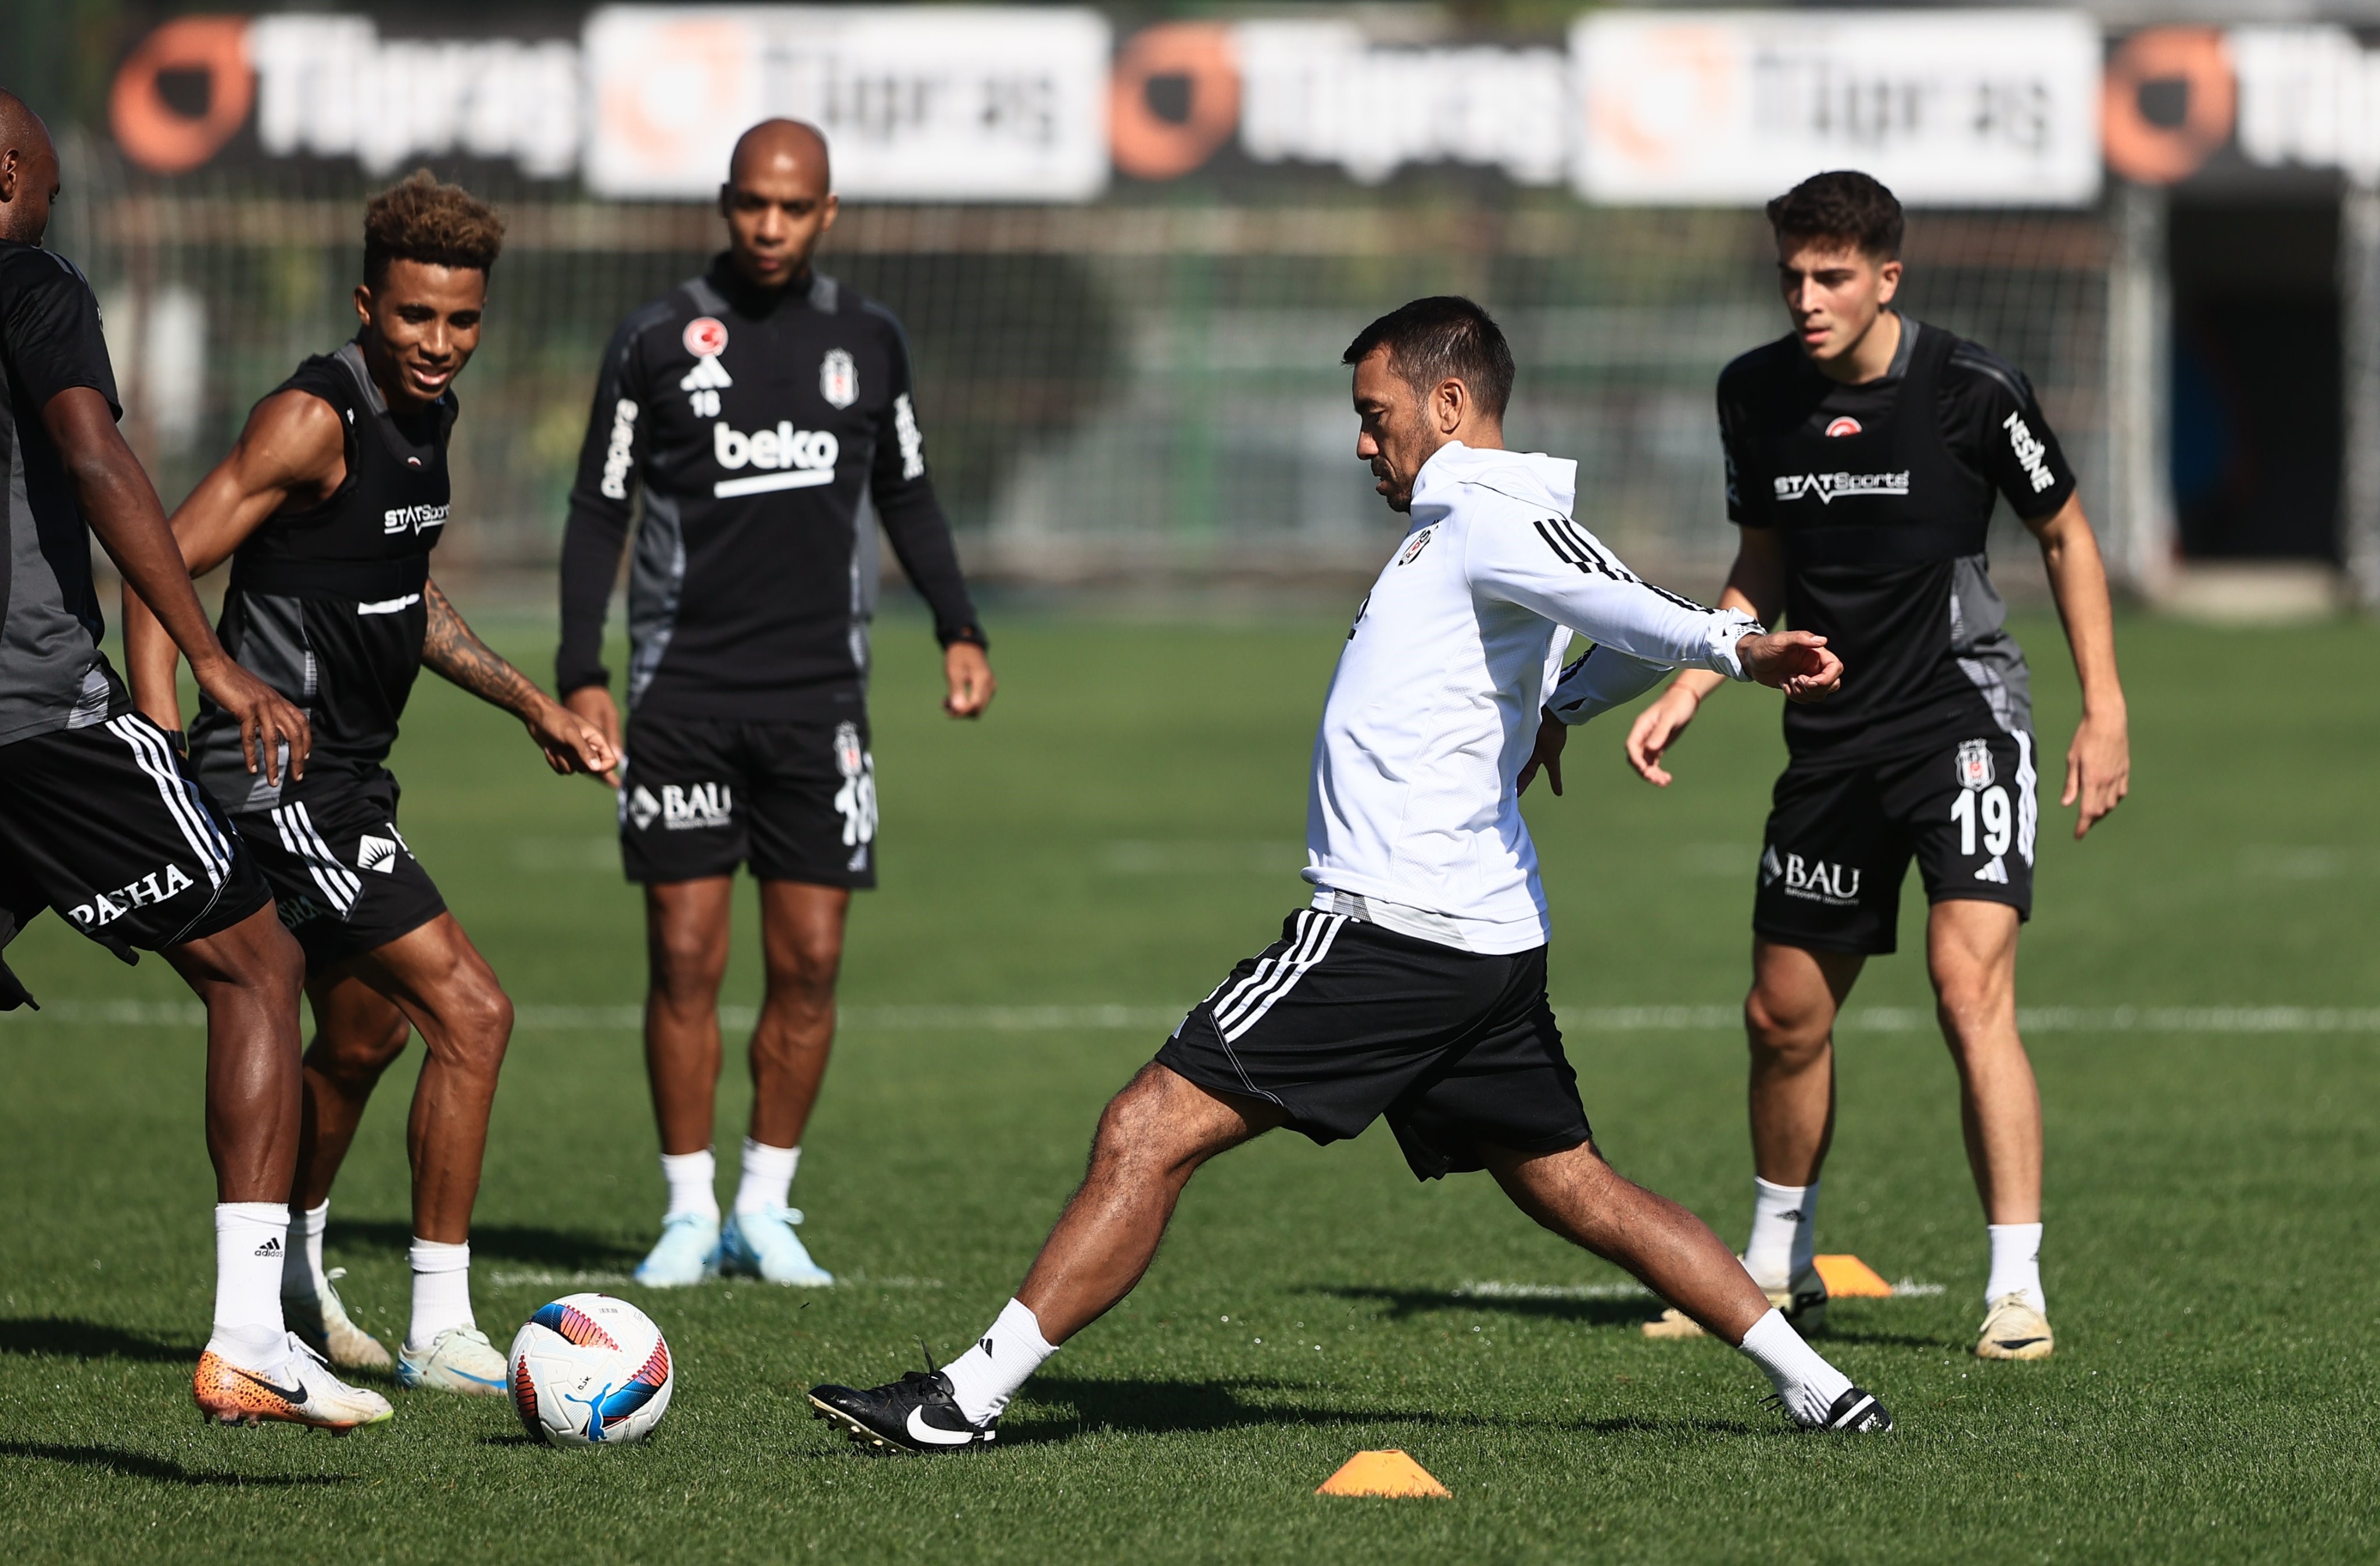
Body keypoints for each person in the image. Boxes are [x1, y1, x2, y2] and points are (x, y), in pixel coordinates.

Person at [808, 296, 1894, 1453]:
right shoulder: (1466, 522)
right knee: (1575, 1185)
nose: (1360, 441)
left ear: (1447, 402)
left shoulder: (1485, 512)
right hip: (1469, 935)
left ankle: (960, 1400)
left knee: (1144, 1128)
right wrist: (1558, 711)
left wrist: (1736, 649)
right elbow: (1605, 620)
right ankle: (1816, 1385)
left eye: (1374, 417)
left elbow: (1623, 606)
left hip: (1392, 933)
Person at [1592, 171, 2127, 1360]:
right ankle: (1772, 1270)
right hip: (1828, 742)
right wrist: (1696, 676)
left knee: (1962, 983)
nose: (1805, 296)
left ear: (1888, 276)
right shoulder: (1754, 394)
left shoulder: (1971, 387)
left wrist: (2104, 710)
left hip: (1960, 721)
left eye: (1830, 275)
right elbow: (1760, 559)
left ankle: (2014, 1289)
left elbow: (2064, 534)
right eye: (1789, 274)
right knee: (1781, 1015)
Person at [124, 172, 614, 1396]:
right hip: (276, 780)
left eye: (460, 322)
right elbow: (152, 565)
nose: (439, 345)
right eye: (413, 319)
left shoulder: (424, 417)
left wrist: (530, 704)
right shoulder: (313, 418)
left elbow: (405, 594)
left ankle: (287, 1277)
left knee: (360, 1032)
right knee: (474, 1011)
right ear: (365, 304)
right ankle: (441, 1322)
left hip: (351, 775)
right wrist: (161, 720)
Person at [0, 90, 390, 1431]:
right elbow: (93, 451)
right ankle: (248, 1337)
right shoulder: (31, 275)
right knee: (259, 961)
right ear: (12, 176)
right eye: (50, 179)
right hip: (36, 714)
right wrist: (208, 656)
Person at [557, 119, 993, 1289]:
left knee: (807, 963)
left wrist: (959, 626)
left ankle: (766, 1204)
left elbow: (908, 492)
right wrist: (578, 668)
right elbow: (599, 507)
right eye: (751, 203)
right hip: (681, 693)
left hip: (820, 700)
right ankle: (688, 1208)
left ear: (827, 214)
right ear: (723, 201)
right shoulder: (655, 338)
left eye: (792, 208)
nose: (768, 225)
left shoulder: (867, 339)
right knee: (684, 953)